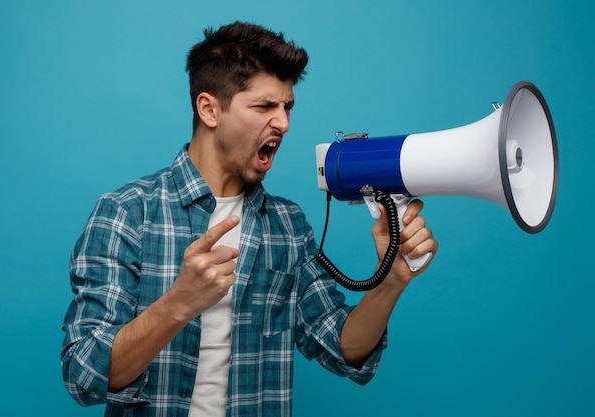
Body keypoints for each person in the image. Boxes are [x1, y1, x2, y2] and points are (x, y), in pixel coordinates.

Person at [61, 21, 438, 417]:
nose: (284, 123)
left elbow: (344, 348)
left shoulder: (288, 226)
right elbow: (84, 376)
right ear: (209, 109)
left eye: (287, 107)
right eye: (264, 106)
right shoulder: (126, 213)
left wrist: (391, 279)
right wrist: (178, 304)